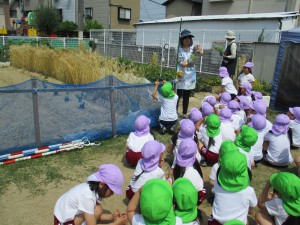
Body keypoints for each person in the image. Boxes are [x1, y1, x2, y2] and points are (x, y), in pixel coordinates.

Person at [54, 164, 127, 225]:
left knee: (98, 208)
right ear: (102, 184)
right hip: (62, 222)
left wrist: (112, 217)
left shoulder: (94, 189)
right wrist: (116, 224)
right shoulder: (87, 196)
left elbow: (95, 213)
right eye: (111, 191)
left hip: (66, 215)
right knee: (95, 210)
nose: (112, 193)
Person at [209, 151, 257, 225]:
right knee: (246, 221)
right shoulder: (249, 191)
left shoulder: (217, 184)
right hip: (237, 223)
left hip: (217, 222)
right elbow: (251, 211)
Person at [177, 29, 202, 118]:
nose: (187, 40)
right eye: (185, 38)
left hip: (190, 76)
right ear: (181, 40)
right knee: (178, 95)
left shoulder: (192, 49)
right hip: (181, 75)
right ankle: (174, 113)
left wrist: (199, 50)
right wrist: (192, 58)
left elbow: (201, 53)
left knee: (187, 95)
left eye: (189, 38)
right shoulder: (178, 50)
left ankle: (184, 113)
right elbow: (183, 64)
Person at [174, 138, 205, 204]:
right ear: (195, 153)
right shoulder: (195, 168)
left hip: (182, 198)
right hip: (196, 197)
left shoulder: (177, 169)